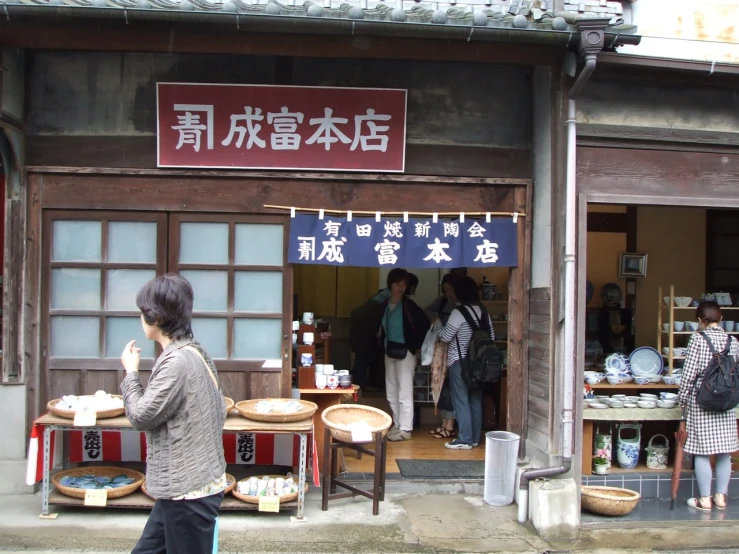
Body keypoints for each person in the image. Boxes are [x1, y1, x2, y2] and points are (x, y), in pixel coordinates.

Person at [120, 274, 227, 553]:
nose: (141, 318)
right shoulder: (195, 352)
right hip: (185, 487)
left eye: (143, 312)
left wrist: (131, 372)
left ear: (155, 318)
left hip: (189, 492)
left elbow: (141, 416)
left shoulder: (177, 361)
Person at [678, 301, 739, 511]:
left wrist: (682, 400)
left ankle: (704, 499)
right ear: (721, 319)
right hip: (726, 402)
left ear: (699, 320)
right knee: (724, 452)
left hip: (702, 400)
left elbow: (688, 374)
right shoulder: (733, 341)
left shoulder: (697, 339)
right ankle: (720, 498)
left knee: (702, 450)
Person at [439, 276, 494, 450]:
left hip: (460, 363)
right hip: (480, 365)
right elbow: (491, 337)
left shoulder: (458, 312)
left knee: (461, 400)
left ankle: (464, 439)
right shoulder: (483, 311)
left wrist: (438, 325)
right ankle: (475, 438)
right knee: (475, 400)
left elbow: (445, 337)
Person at [381, 268, 430, 441]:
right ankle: (397, 424)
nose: (400, 287)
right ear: (390, 285)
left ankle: (406, 428)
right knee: (391, 390)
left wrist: (414, 346)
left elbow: (424, 326)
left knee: (405, 389)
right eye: (397, 283)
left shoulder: (409, 305)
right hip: (389, 350)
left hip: (406, 351)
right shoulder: (385, 303)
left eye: (403, 284)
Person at [425, 273, 462, 440]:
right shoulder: (441, 302)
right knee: (441, 386)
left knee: (451, 388)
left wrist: (439, 324)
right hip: (441, 350)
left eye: (451, 290)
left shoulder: (461, 308)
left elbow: (447, 334)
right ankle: (444, 423)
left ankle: (450, 425)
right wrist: (434, 319)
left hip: (454, 351)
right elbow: (427, 310)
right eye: (446, 290)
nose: (448, 294)